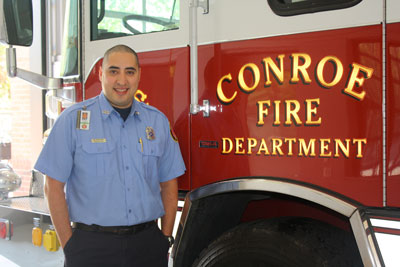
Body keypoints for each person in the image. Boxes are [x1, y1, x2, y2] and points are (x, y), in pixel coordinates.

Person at [34, 44, 186, 267]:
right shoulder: (73, 121)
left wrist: (164, 238)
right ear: (101, 73)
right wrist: (69, 245)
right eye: (113, 71)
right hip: (91, 247)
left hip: (147, 244)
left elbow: (169, 184)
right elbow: (53, 187)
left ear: (139, 75)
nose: (122, 81)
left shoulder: (157, 122)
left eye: (129, 72)